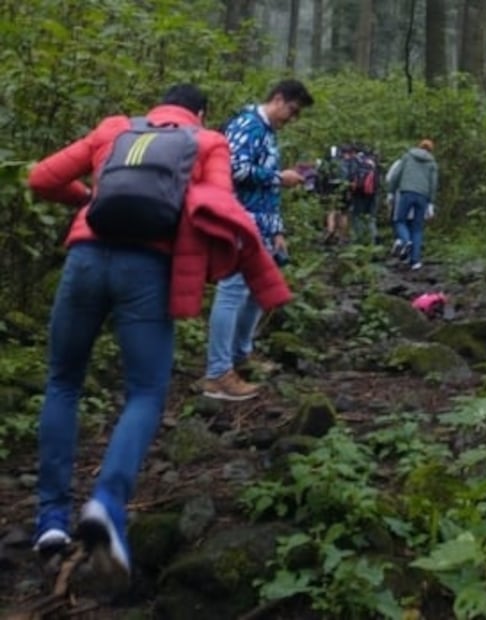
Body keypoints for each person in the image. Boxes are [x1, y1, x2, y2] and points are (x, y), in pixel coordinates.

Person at [26, 84, 291, 588]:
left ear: (156, 108)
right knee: (145, 393)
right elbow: (216, 203)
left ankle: (51, 524)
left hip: (84, 260)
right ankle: (106, 502)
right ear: (201, 113)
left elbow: (41, 178)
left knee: (62, 383)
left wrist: (86, 198)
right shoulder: (208, 141)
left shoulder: (114, 129)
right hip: (145, 271)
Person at [203, 79, 314, 401]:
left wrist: (277, 229)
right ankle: (217, 372)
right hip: (239, 221)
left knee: (257, 292)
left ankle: (241, 355)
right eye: (291, 111)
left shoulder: (267, 133)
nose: (291, 119)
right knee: (232, 292)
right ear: (278, 99)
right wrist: (279, 176)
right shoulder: (247, 125)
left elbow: (266, 188)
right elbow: (232, 169)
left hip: (261, 227)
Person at [387, 138, 438, 270]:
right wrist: (431, 203)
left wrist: (391, 192)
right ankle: (415, 261)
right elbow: (433, 184)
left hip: (407, 192)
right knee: (417, 228)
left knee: (400, 220)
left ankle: (405, 241)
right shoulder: (432, 163)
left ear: (419, 146)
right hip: (423, 196)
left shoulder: (408, 156)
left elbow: (396, 175)